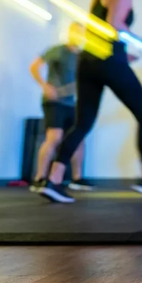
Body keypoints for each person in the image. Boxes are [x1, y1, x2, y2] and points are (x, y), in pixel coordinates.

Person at [41, 0, 142, 203]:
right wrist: (141, 42)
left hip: (89, 62)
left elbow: (101, 34)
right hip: (108, 61)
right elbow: (114, 24)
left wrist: (125, 55)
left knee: (82, 123)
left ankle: (53, 180)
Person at [29, 26, 93, 193]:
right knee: (54, 137)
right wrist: (45, 86)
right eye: (75, 31)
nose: (78, 35)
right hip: (55, 102)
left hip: (73, 104)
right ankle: (39, 178)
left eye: (81, 32)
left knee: (79, 139)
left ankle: (77, 179)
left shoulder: (83, 56)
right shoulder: (57, 50)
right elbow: (34, 66)